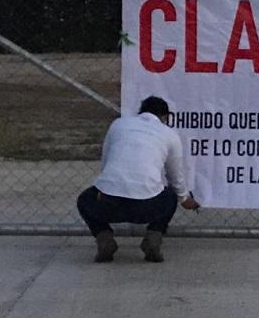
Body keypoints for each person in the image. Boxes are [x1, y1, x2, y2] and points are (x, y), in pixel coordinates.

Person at [77, 96, 199, 263]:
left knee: (84, 199)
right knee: (171, 195)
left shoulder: (118, 124)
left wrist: (105, 189)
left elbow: (106, 163)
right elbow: (175, 176)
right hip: (146, 207)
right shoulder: (170, 134)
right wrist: (185, 199)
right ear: (165, 117)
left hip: (108, 204)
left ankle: (103, 237)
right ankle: (153, 238)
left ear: (141, 112)